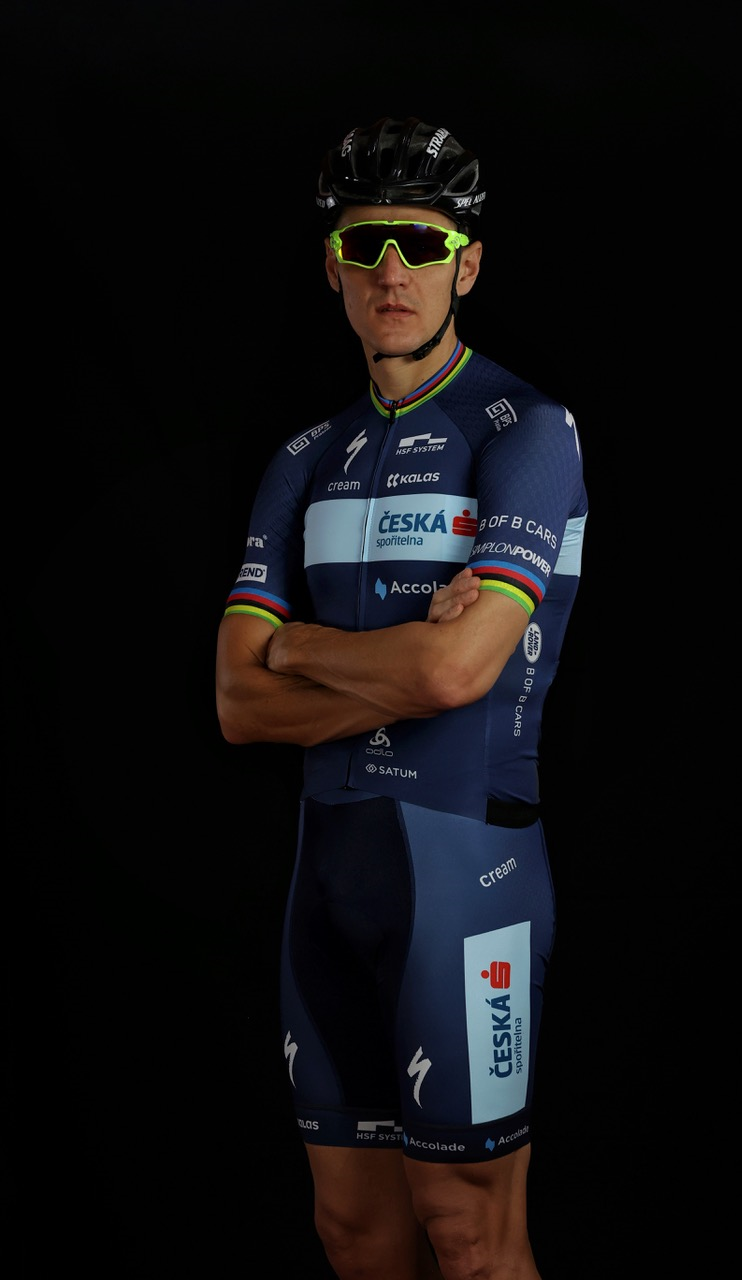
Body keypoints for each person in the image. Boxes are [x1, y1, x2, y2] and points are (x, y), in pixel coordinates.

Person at [215, 116, 589, 1280]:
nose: (392, 271)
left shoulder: (526, 432)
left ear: (465, 266)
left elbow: (454, 674)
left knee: (470, 1235)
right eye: (364, 244)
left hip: (466, 868)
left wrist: (299, 650)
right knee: (353, 1233)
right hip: (326, 872)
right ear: (331, 267)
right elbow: (237, 701)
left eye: (420, 245)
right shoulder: (303, 457)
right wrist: (381, 659)